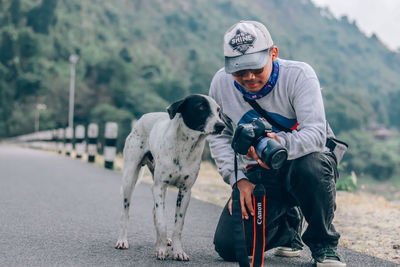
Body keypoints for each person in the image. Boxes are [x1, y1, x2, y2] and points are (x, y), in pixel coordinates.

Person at [207, 20, 346, 267]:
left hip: (308, 162)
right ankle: (288, 228)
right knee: (229, 246)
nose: (248, 77)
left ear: (273, 53)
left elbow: (315, 134)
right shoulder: (221, 83)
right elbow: (219, 136)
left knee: (309, 167)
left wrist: (277, 142)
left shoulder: (299, 75)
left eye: (255, 68)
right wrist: (238, 180)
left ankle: (323, 244)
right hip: (261, 171)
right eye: (239, 71)